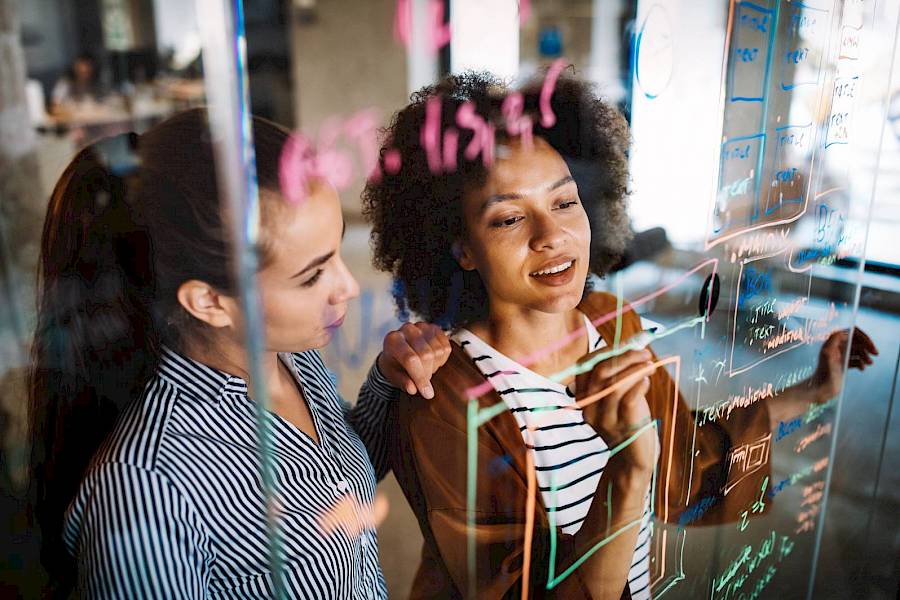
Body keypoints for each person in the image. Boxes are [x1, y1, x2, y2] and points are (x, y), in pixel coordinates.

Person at [362, 72, 878, 598]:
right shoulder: (443, 393)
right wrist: (628, 468)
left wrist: (812, 390)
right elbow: (518, 586)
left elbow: (684, 461)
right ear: (460, 249)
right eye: (510, 218)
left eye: (565, 203)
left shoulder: (612, 320)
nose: (552, 236)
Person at [29, 108, 450, 598]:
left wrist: (387, 380)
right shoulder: (146, 489)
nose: (348, 286)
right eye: (312, 275)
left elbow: (338, 477)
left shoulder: (289, 357)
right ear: (209, 302)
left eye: (336, 251)